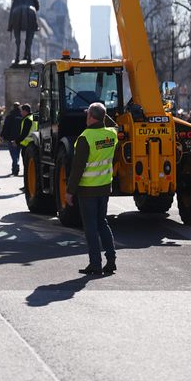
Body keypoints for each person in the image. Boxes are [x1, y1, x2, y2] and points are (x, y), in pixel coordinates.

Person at [65, 102, 118, 275]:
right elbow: (114, 125)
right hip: (104, 187)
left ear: (90, 117)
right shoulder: (111, 134)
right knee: (102, 223)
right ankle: (111, 261)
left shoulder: (85, 138)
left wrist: (70, 191)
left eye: (88, 113)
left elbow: (77, 168)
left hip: (88, 190)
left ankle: (95, 264)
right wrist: (102, 114)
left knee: (90, 227)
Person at [8, 0, 40, 64]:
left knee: (13, 13)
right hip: (29, 5)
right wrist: (36, 6)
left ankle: (10, 25)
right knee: (32, 22)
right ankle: (29, 57)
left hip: (18, 5)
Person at [1, 102, 23, 176]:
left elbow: (5, 127)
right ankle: (15, 166)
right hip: (19, 138)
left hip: (11, 138)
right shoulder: (22, 116)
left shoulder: (9, 116)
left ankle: (15, 167)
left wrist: (2, 136)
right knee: (17, 153)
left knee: (13, 154)